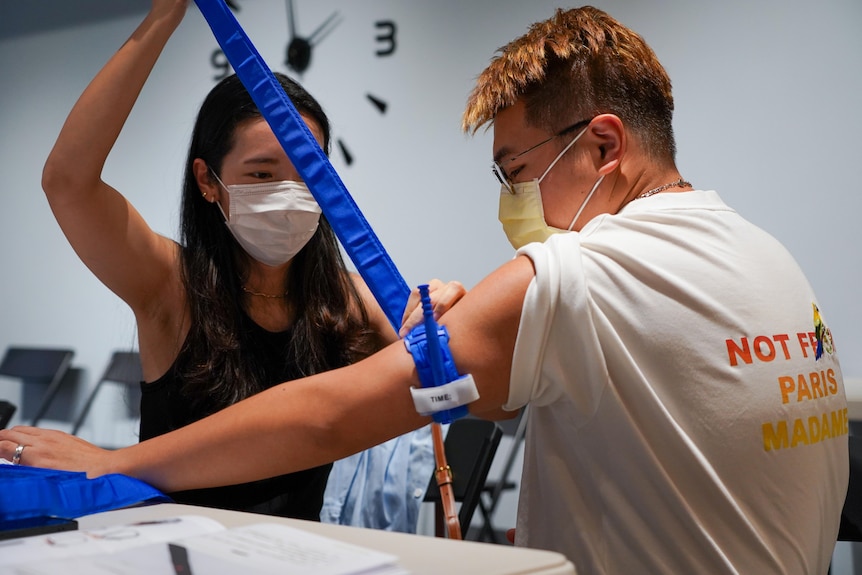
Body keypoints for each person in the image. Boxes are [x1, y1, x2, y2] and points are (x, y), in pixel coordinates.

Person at [1, 5, 848, 573]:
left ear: (603, 145)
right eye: (263, 171)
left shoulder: (575, 276)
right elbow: (512, 397)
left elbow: (341, 411)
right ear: (210, 182)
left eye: (517, 170)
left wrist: (116, 461)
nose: (513, 201)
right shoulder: (767, 256)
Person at [24, 0, 463, 527]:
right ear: (208, 181)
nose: (290, 193)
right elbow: (68, 181)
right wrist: (164, 17)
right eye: (261, 175)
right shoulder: (171, 286)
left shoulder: (344, 301)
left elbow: (462, 387)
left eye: (309, 174)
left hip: (298, 557)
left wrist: (441, 322)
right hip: (165, 552)